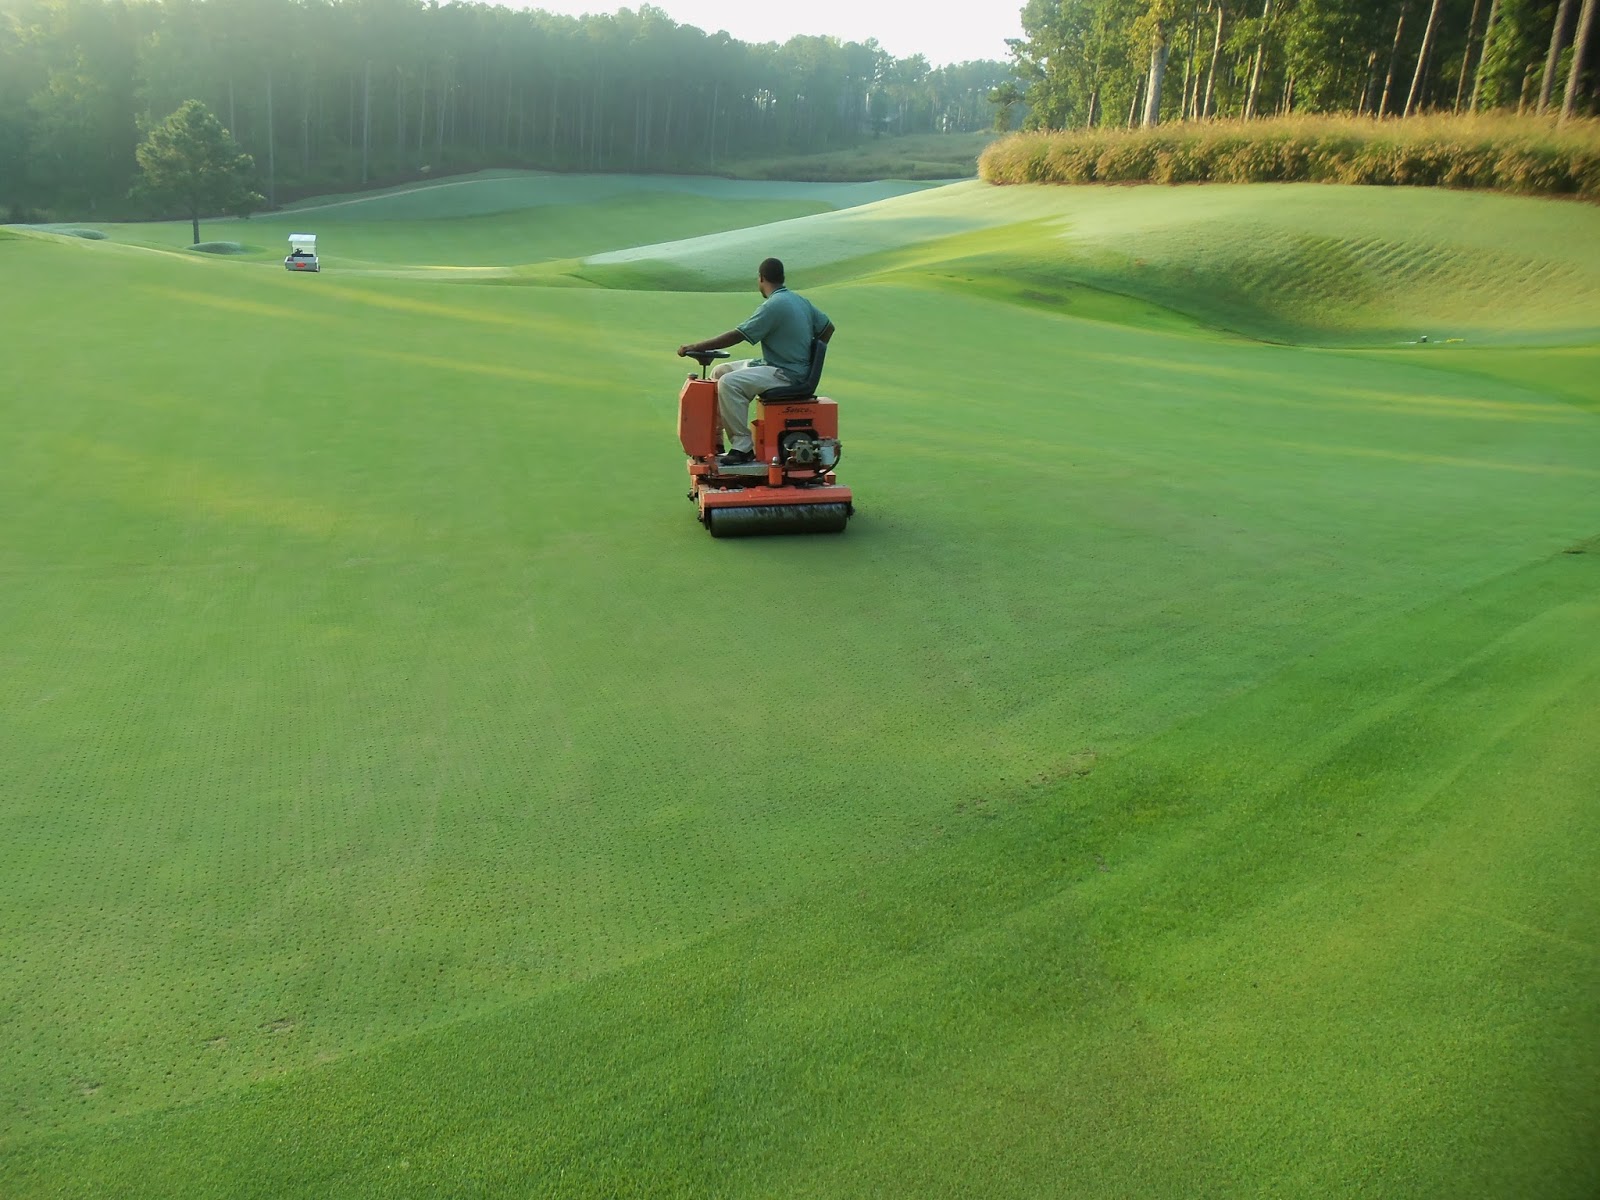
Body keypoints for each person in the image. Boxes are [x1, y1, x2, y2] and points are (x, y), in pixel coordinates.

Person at [678, 257, 835, 465]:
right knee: (720, 372)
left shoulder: (774, 305)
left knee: (729, 383)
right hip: (778, 365)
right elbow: (828, 329)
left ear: (761, 278)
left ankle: (742, 447)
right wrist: (810, 359)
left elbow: (738, 335)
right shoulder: (798, 300)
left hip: (786, 373)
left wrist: (696, 347)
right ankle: (715, 442)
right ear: (782, 278)